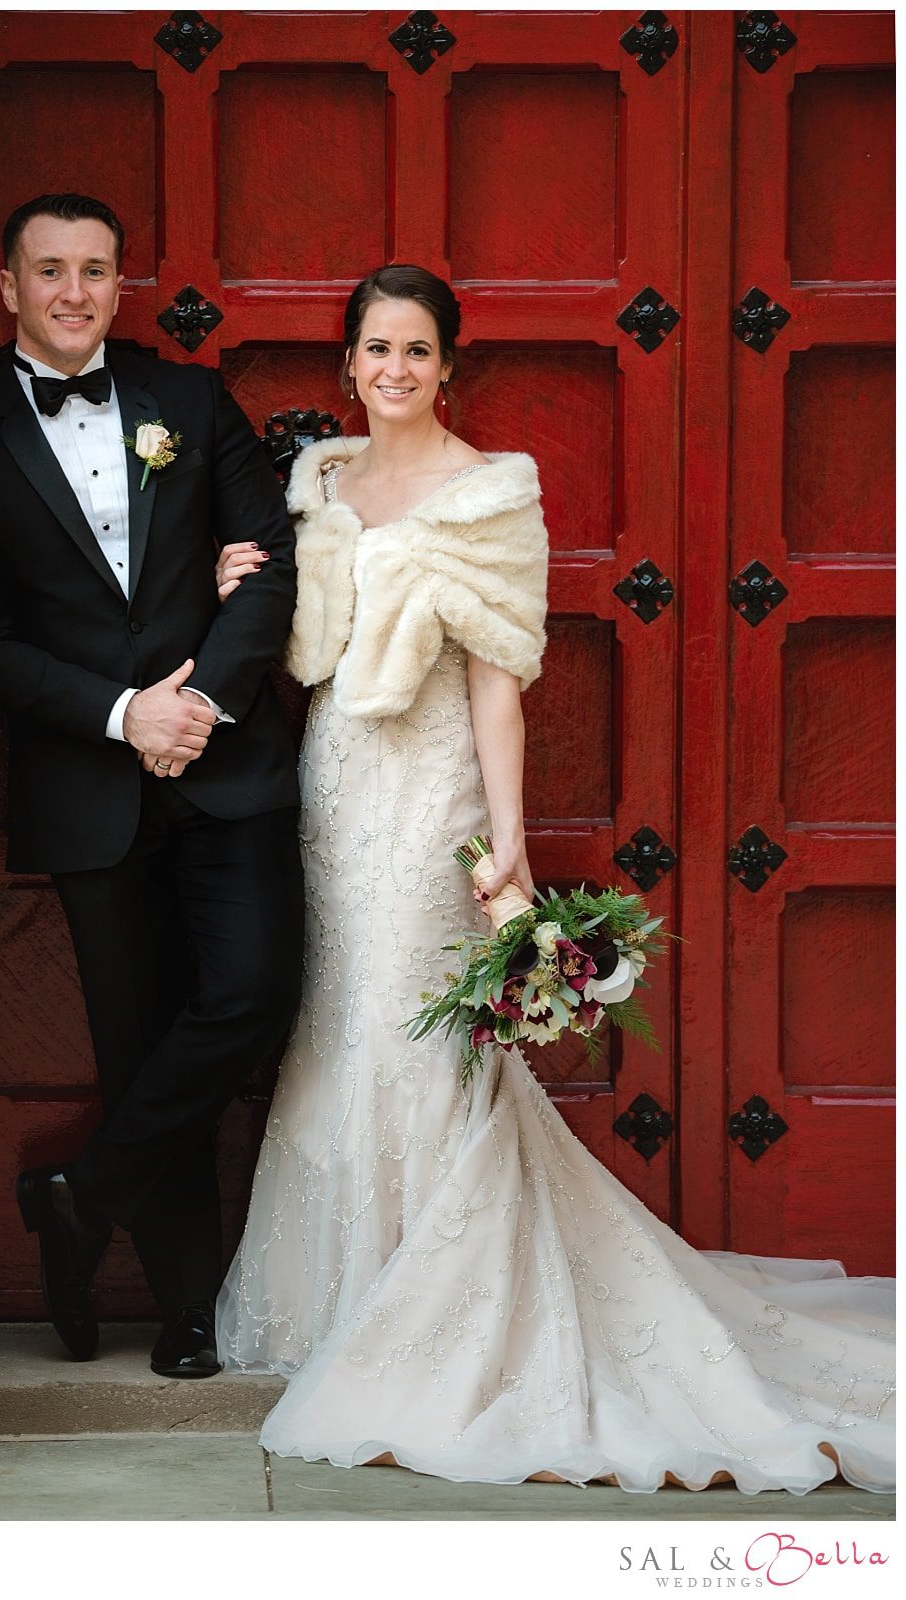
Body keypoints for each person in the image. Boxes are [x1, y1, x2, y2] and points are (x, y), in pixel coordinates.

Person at [214, 263, 895, 1492]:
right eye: (374, 349)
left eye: (415, 350)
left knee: (415, 1034)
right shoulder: (315, 485)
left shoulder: (486, 496)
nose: (393, 371)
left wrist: (507, 839)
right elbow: (298, 648)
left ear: (446, 365)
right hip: (331, 787)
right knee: (338, 1025)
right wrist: (236, 585)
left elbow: (494, 683)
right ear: (348, 364)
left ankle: (433, 1311)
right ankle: (338, 1300)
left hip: (430, 801)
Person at [0, 192, 303, 1378]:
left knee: (252, 992)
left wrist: (197, 706)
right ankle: (185, 1309)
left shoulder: (186, 401)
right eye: (49, 271)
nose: (73, 292)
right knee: (140, 1048)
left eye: (93, 269)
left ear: (118, 281)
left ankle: (78, 1197)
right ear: (6, 286)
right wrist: (118, 713)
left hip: (226, 765)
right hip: (88, 789)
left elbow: (272, 561)